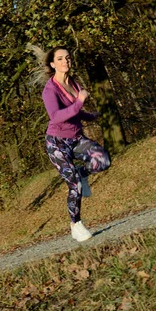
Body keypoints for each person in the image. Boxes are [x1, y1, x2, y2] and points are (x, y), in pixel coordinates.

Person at [40, 46, 111, 242]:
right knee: (75, 185)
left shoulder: (74, 84)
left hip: (76, 138)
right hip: (57, 143)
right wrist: (80, 102)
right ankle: (76, 224)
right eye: (60, 59)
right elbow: (56, 116)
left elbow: (75, 112)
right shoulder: (50, 90)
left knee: (102, 160)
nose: (66, 61)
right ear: (53, 64)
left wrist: (91, 116)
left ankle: (81, 173)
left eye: (68, 58)